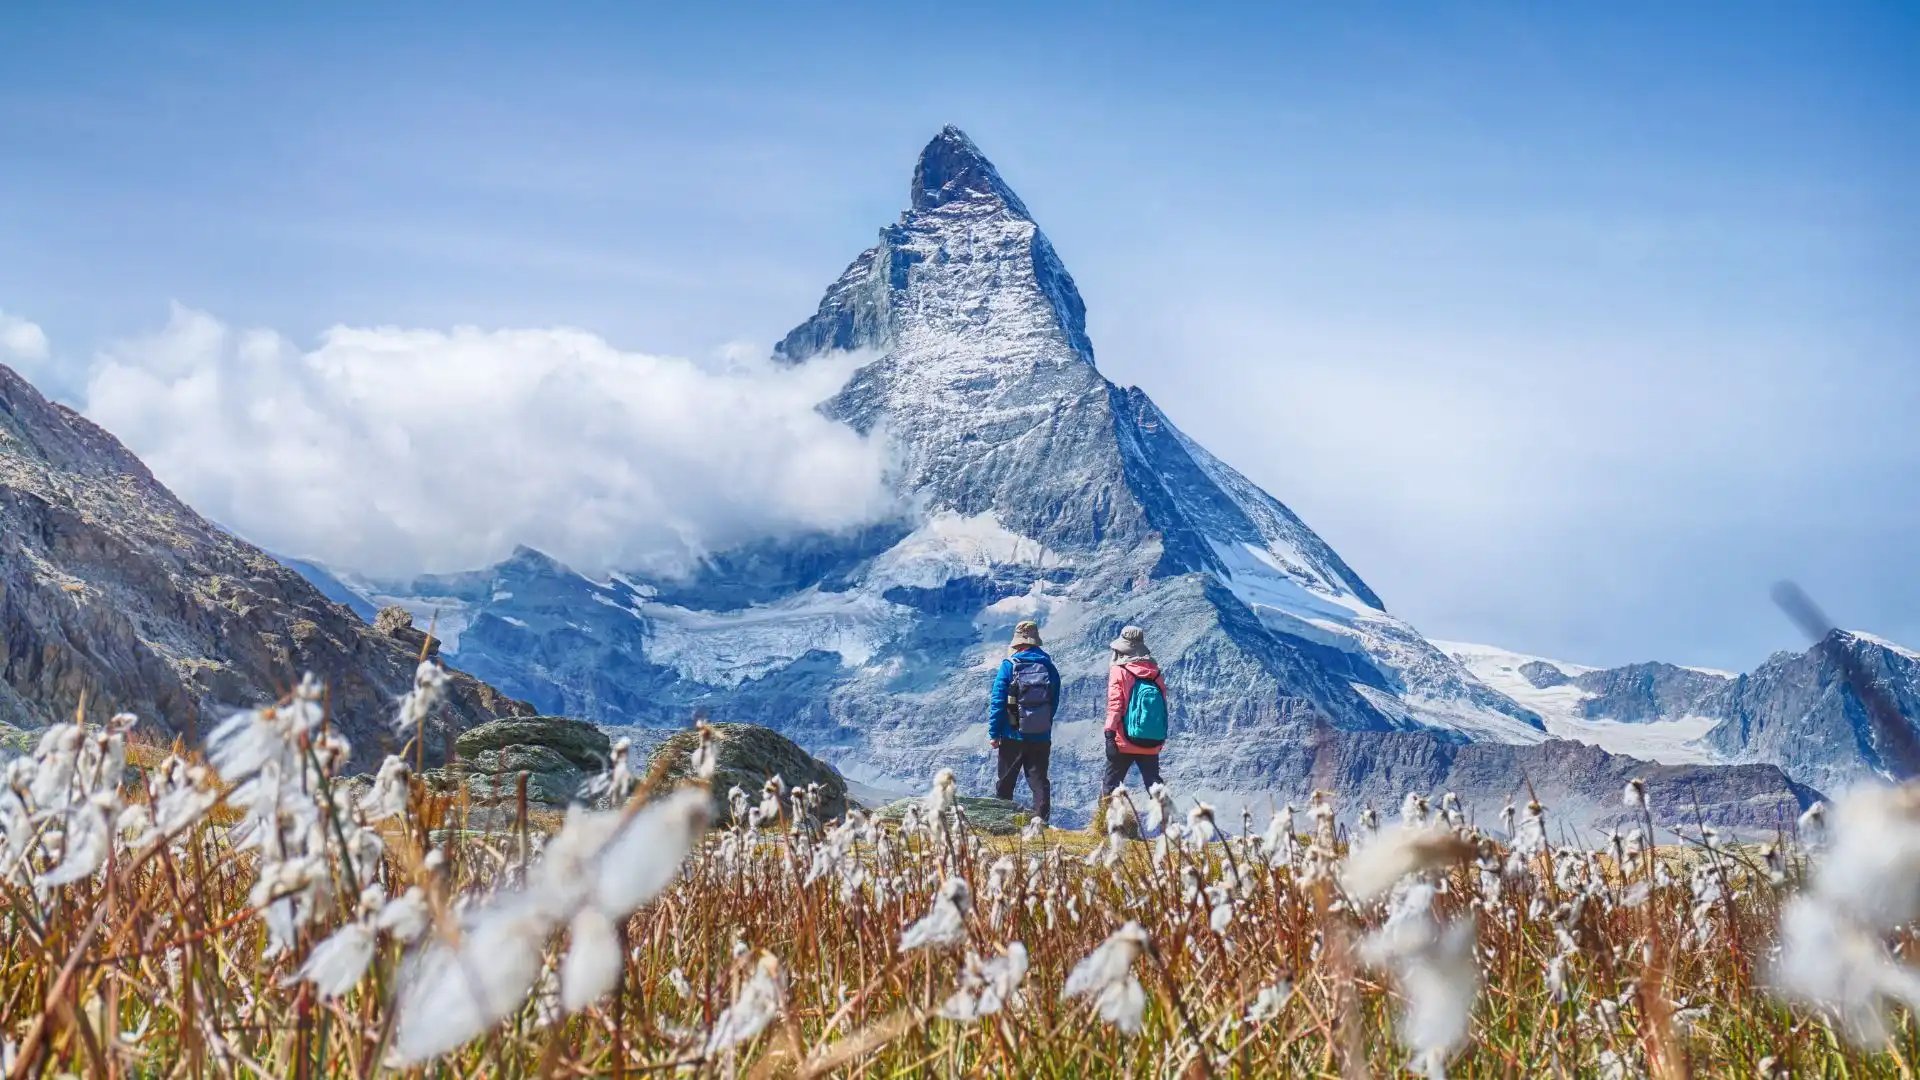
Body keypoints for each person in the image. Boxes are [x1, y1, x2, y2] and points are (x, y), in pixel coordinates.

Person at [989, 620, 1059, 825]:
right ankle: (1041, 821)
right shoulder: (1049, 667)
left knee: (1006, 782)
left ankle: (1001, 822)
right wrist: (1042, 724)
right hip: (1041, 736)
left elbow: (998, 702)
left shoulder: (1009, 666)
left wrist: (994, 733)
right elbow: (1053, 702)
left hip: (1012, 734)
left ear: (1018, 643)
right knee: (1038, 781)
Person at [1104, 625, 1168, 794]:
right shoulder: (1155, 673)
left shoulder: (1119, 671)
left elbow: (1115, 704)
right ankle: (1167, 819)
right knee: (1156, 789)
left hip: (1124, 740)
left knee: (1110, 787)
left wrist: (1109, 734)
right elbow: (1161, 708)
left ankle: (1107, 820)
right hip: (1150, 740)